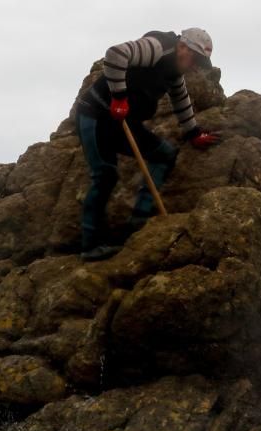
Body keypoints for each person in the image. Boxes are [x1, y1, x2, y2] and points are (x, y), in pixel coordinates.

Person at [74, 28, 221, 262]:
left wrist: (194, 133)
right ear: (183, 47)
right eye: (195, 58)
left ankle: (138, 221)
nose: (194, 66)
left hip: (123, 122)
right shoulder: (157, 47)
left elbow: (181, 100)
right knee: (105, 176)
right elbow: (116, 54)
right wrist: (119, 97)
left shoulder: (174, 72)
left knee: (164, 155)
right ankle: (90, 247)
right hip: (95, 115)